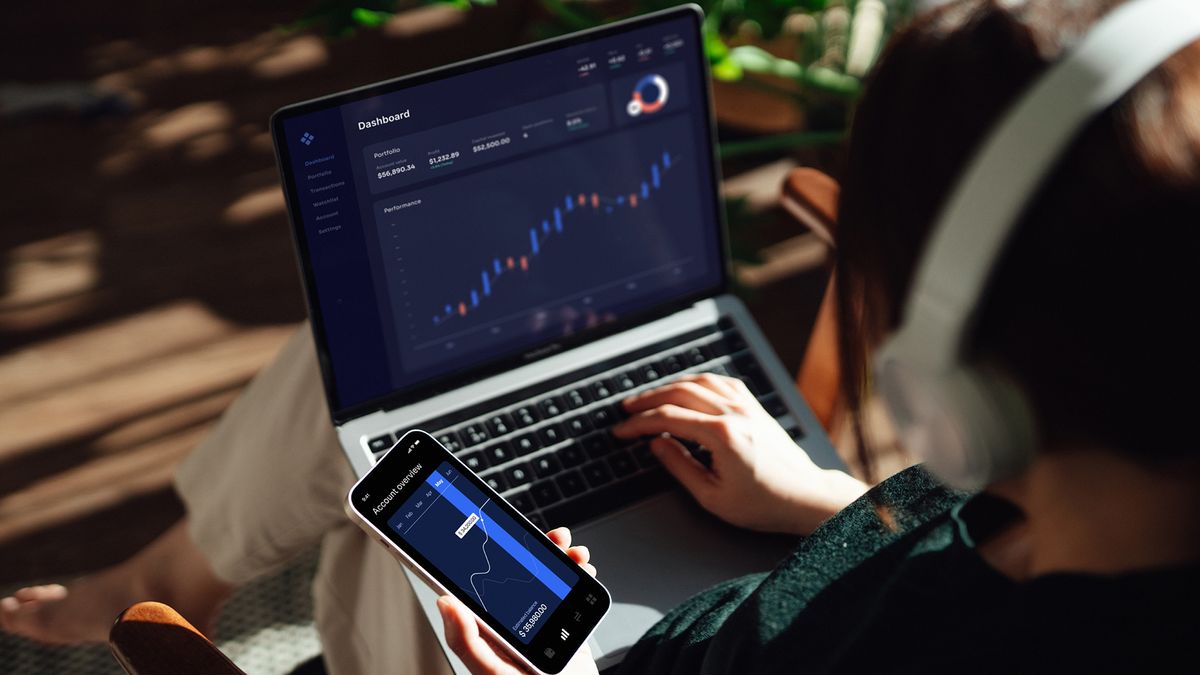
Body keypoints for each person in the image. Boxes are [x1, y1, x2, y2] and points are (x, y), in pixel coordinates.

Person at [4, 0, 1200, 672]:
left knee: (381, 422)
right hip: (743, 575)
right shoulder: (1057, 541)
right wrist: (836, 507)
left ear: (952, 376)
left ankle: (163, 585)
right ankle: (170, 573)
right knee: (399, 404)